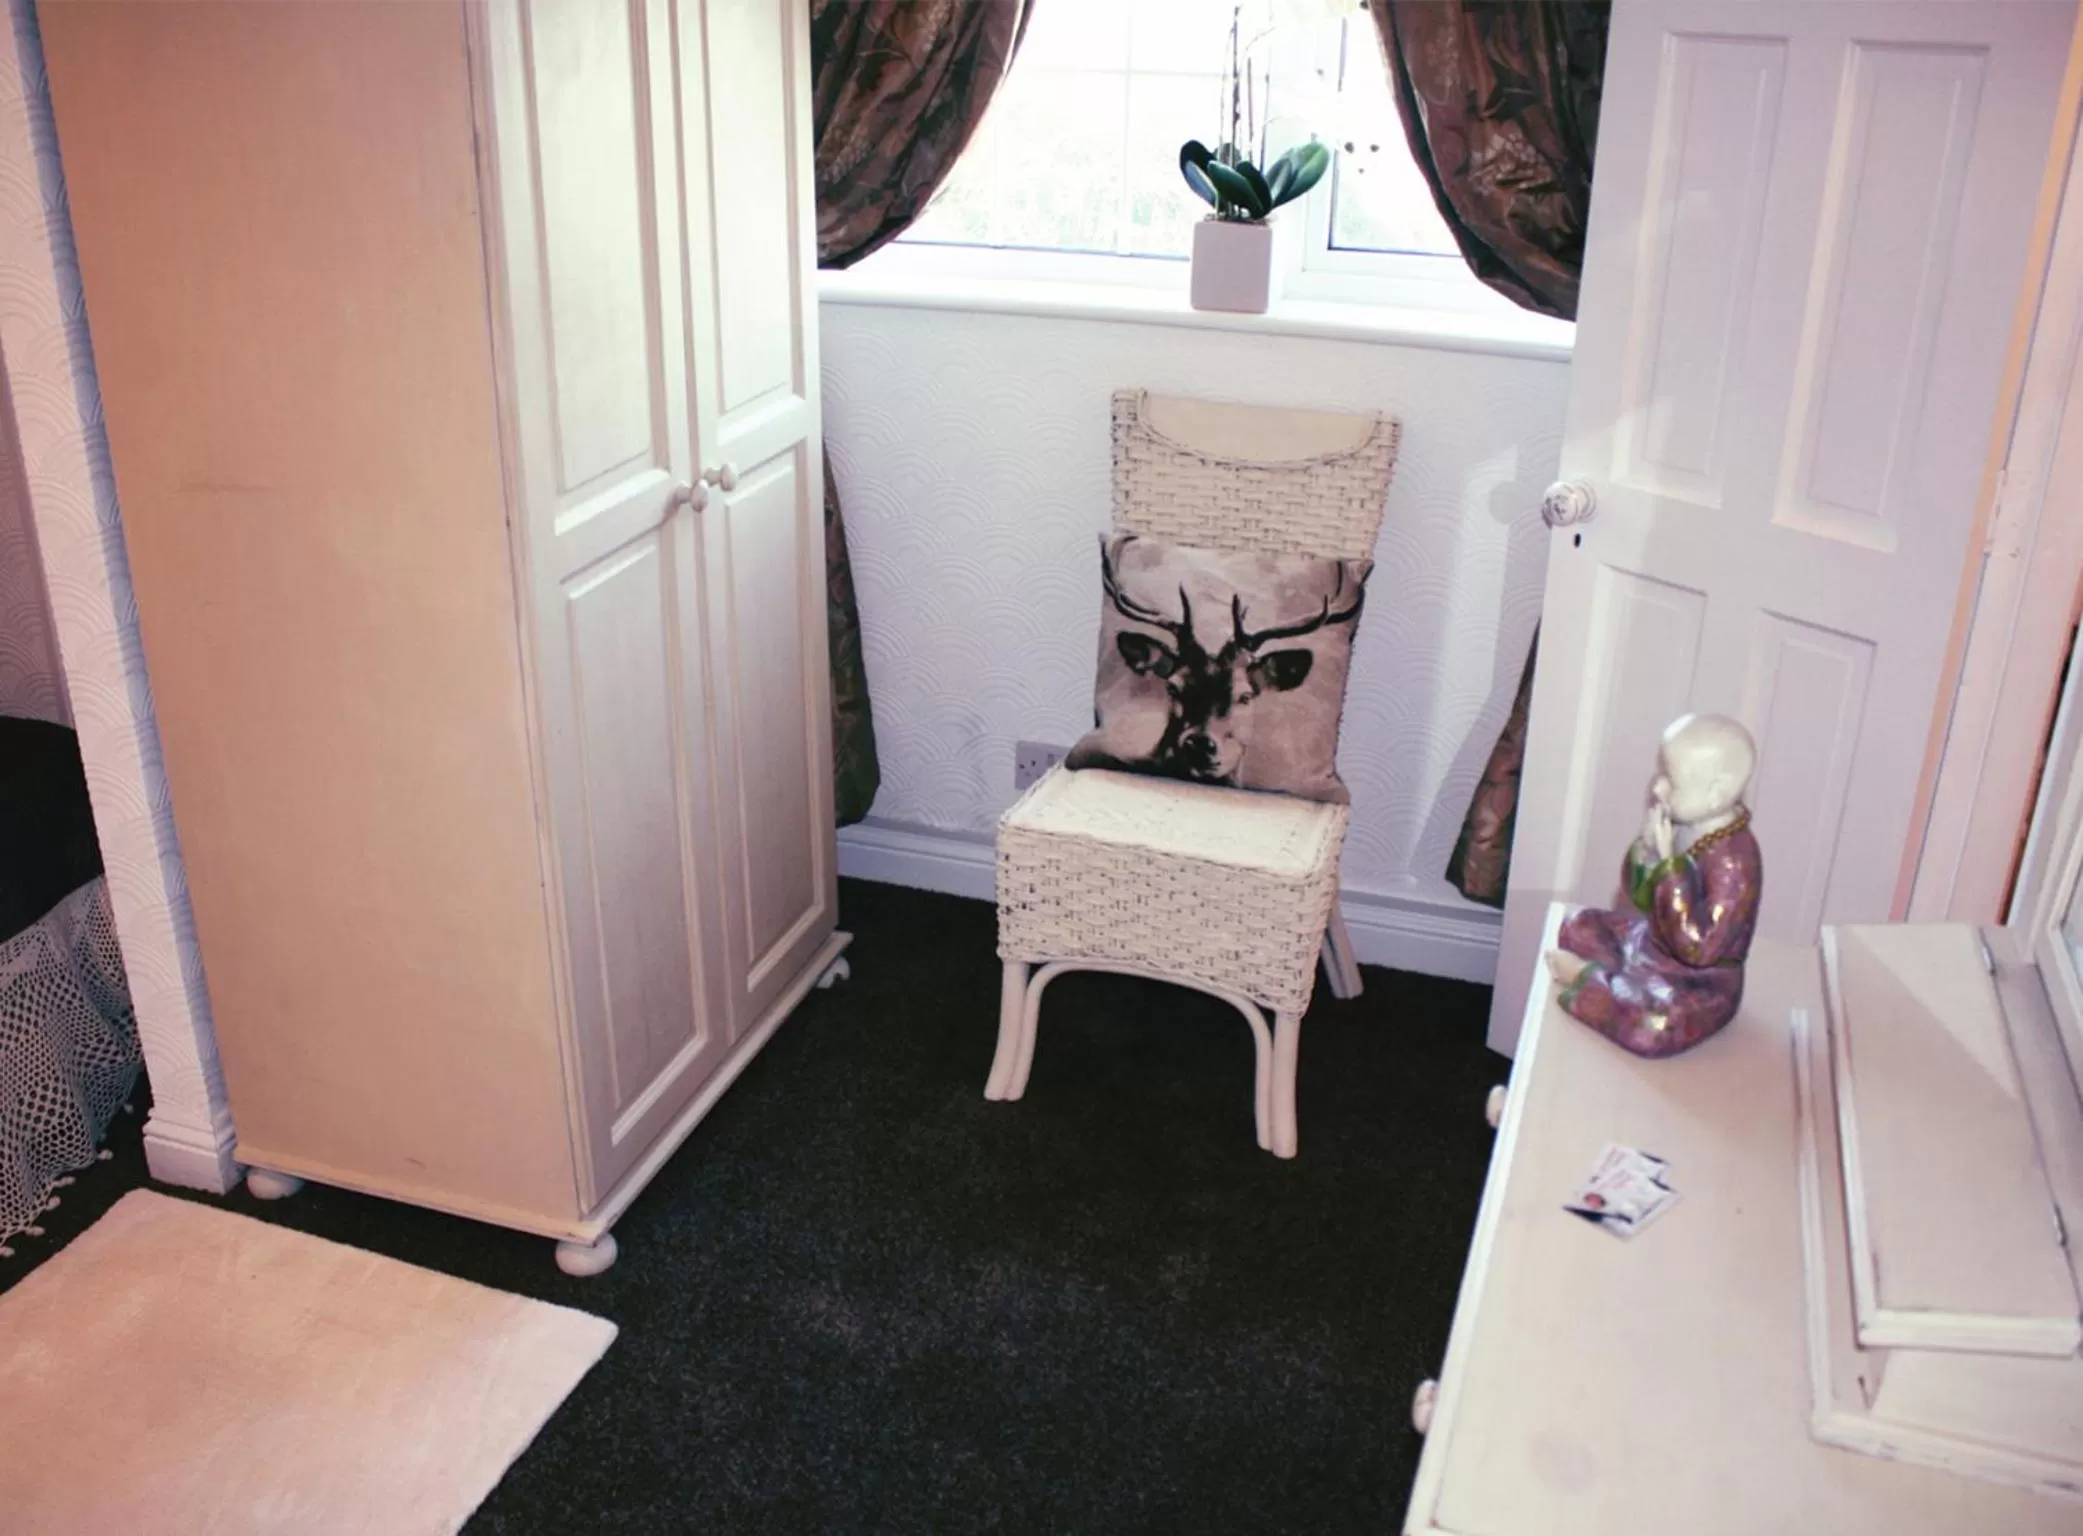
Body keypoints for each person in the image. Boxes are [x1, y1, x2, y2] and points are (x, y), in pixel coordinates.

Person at [1544, 714, 1763, 1058]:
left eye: (1671, 780)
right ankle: (1620, 986)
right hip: (1650, 945)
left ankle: (1594, 983)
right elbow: (1639, 898)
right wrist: (1646, 852)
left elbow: (1699, 950)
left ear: (1716, 793)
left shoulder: (1736, 863)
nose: (1658, 787)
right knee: (1575, 924)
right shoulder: (1685, 823)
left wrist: (1669, 869)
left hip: (1698, 983)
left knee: (1655, 1026)